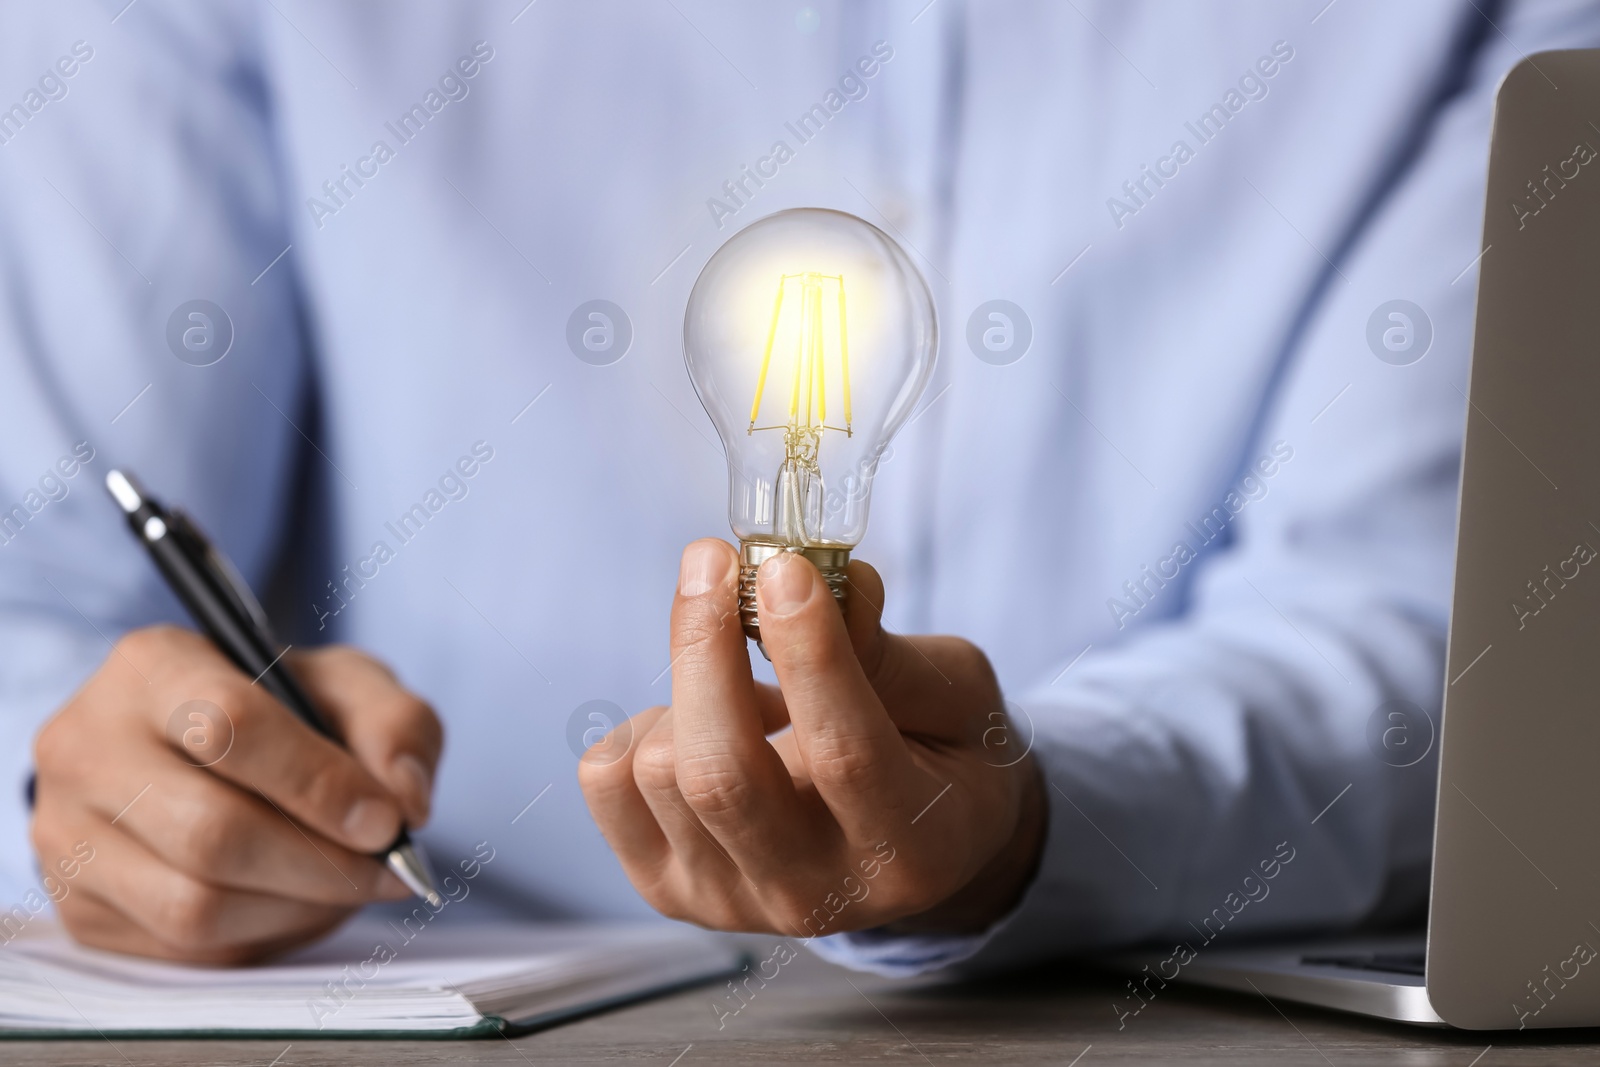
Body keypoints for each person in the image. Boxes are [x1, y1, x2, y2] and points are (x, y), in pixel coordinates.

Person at [2, 0, 1593, 972]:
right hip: (415, 990)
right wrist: (89, 775)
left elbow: (1439, 620)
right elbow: (40, 595)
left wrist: (1031, 815)